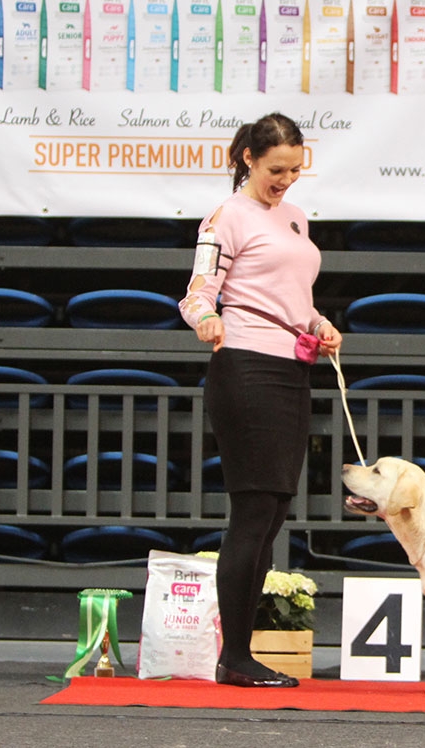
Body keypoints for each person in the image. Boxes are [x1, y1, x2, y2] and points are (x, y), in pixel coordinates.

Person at [179, 112, 341, 688]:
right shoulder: (227, 217)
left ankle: (242, 653)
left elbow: (292, 295)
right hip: (245, 365)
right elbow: (198, 292)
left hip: (292, 366)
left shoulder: (295, 218)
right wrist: (206, 319)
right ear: (248, 158)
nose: (287, 179)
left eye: (297, 169)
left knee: (273, 510)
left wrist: (319, 323)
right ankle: (236, 657)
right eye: (278, 169)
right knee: (253, 510)